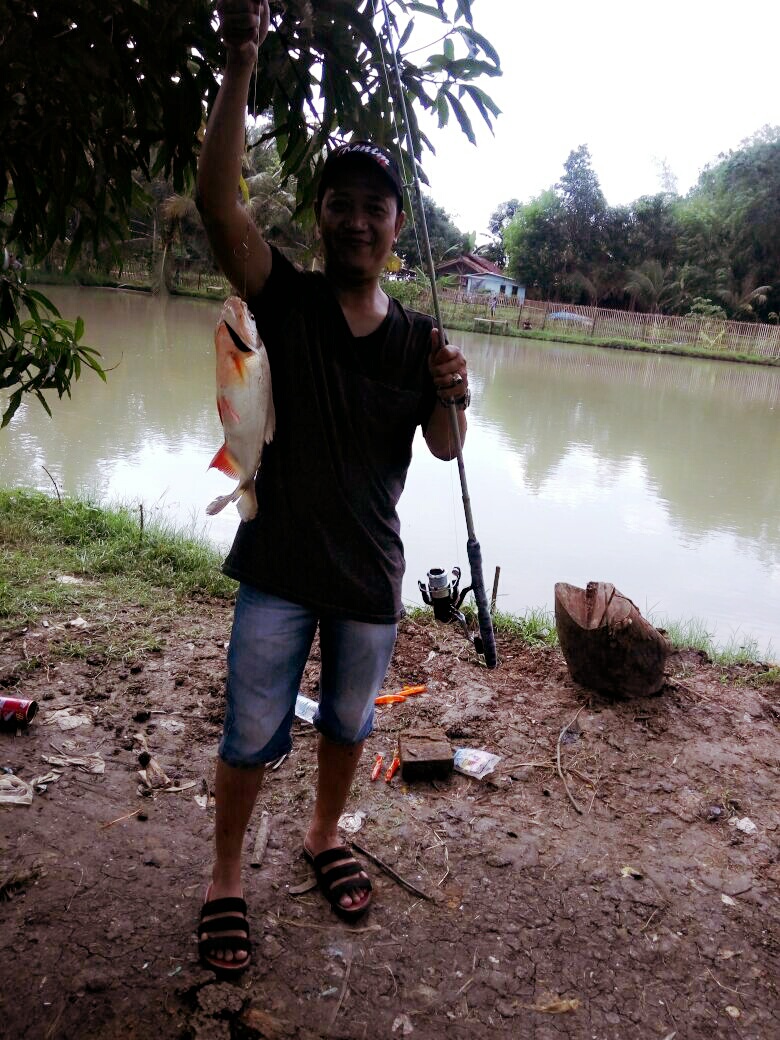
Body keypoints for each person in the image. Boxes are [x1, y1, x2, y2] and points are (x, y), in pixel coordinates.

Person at [195, 0, 470, 974]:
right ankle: (227, 875)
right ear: (321, 217)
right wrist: (241, 58)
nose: (357, 218)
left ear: (396, 226)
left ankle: (321, 833)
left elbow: (442, 448)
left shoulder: (417, 339)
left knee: (349, 724)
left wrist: (456, 394)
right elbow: (221, 205)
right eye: (340, 202)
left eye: (375, 205)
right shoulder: (287, 300)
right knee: (249, 731)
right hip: (277, 565)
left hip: (367, 574)